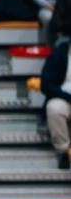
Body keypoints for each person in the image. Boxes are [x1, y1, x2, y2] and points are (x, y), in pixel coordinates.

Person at [37, 32, 71, 170]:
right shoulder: (59, 54)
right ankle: (63, 151)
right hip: (64, 98)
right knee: (54, 107)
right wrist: (67, 96)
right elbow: (46, 84)